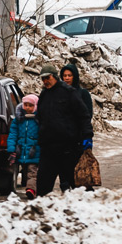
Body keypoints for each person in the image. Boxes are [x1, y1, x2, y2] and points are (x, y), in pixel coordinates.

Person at [34, 62, 92, 196]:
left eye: (47, 78)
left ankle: (89, 210)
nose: (45, 81)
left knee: (79, 187)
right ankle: (41, 213)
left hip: (68, 149)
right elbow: (40, 117)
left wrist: (87, 136)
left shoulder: (69, 92)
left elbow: (83, 115)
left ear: (55, 76)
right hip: (48, 150)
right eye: (43, 79)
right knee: (42, 188)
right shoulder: (44, 95)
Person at [7, 94, 41, 199]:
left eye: (30, 106)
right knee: (19, 169)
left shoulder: (38, 120)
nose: (27, 108)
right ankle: (12, 187)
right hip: (20, 149)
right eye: (25, 105)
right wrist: (12, 148)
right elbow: (13, 134)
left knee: (32, 171)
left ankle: (31, 189)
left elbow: (43, 134)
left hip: (33, 151)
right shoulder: (19, 119)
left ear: (35, 106)